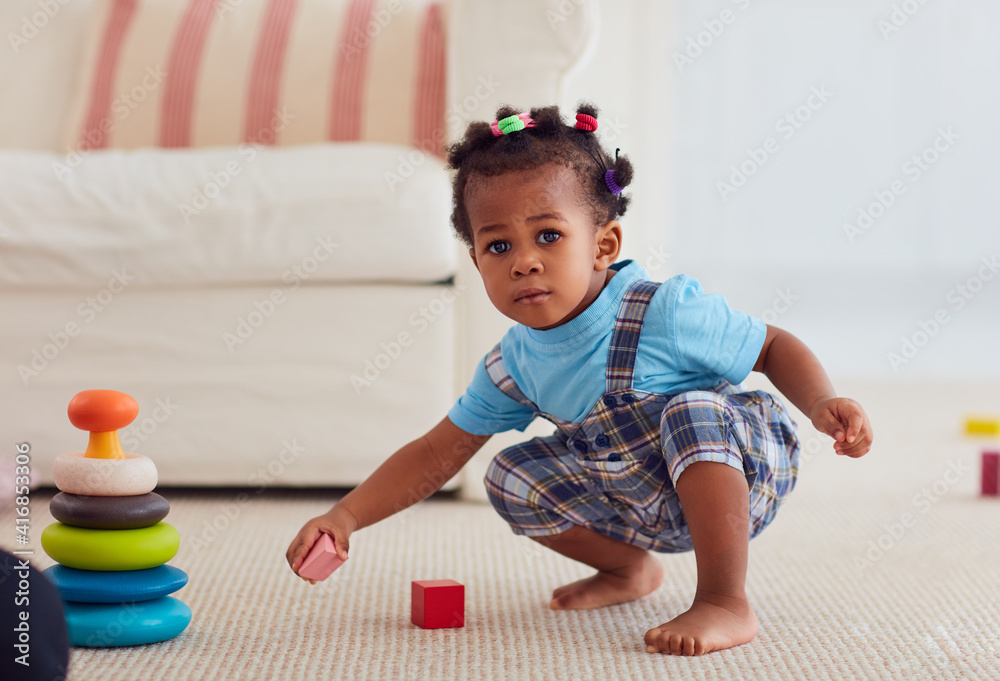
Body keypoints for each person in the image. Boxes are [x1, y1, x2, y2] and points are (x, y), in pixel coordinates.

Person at [286, 102, 873, 656]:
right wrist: (347, 516)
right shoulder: (513, 363)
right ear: (477, 263)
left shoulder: (662, 311)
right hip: (643, 503)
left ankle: (725, 599)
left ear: (603, 244)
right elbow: (438, 450)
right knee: (510, 475)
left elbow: (770, 345)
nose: (524, 260)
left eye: (548, 235)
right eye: (498, 245)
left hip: (742, 474)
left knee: (689, 410)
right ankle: (627, 567)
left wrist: (822, 400)